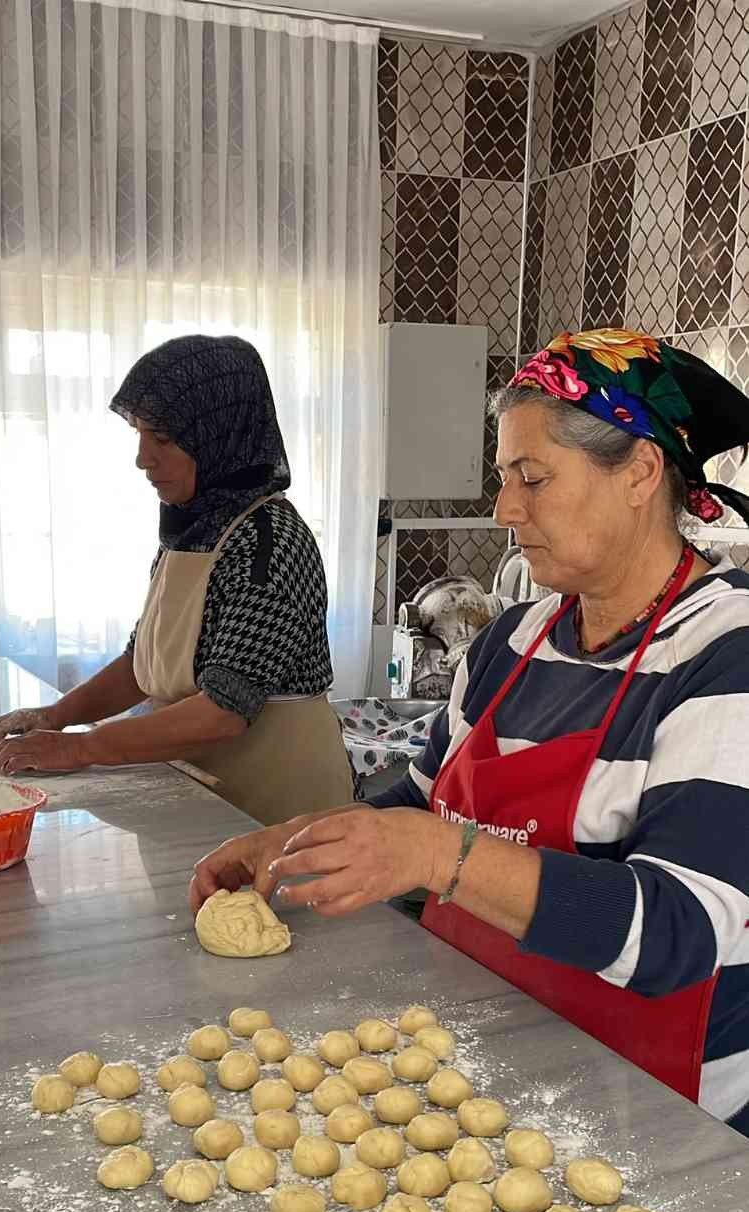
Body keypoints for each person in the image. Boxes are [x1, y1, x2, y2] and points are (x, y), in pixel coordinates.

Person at [191, 327, 749, 1130]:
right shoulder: (511, 641)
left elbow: (675, 934)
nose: (503, 509)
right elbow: (415, 801)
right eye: (503, 477)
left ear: (640, 473)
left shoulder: (725, 654)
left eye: (533, 477)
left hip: (652, 1109)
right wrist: (286, 842)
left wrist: (435, 854)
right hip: (485, 1065)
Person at [0, 334, 353, 825]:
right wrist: (56, 717)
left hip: (276, 808)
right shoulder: (191, 530)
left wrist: (77, 749)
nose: (142, 458)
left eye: (162, 437)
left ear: (217, 436)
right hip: (201, 792)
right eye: (138, 434)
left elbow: (223, 709)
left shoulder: (271, 543)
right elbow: (143, 663)